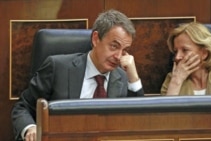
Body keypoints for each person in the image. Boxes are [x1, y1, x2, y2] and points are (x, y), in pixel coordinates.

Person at [11, 9, 144, 141]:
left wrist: (134, 78)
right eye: (114, 46)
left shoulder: (123, 77)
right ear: (96, 39)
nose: (119, 57)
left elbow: (139, 122)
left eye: (125, 50)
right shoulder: (58, 68)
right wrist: (30, 128)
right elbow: (23, 107)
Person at [161, 22, 211, 95]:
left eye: (185, 50)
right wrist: (176, 82)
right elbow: (166, 110)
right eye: (175, 52)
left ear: (204, 53)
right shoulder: (172, 80)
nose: (177, 57)